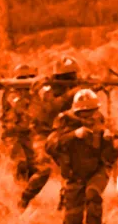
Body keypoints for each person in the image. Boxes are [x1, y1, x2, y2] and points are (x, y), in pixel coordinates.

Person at [46, 89, 118, 224]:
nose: (90, 116)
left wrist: (110, 143)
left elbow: (111, 157)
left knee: (93, 193)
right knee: (73, 222)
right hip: (74, 174)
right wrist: (73, 135)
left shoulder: (100, 121)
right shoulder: (64, 121)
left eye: (93, 111)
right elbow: (50, 145)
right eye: (86, 113)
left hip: (97, 171)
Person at [19, 56, 83, 210]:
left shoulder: (73, 90)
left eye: (72, 76)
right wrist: (73, 92)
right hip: (41, 133)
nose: (71, 80)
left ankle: (65, 204)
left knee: (71, 169)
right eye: (67, 77)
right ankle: (24, 200)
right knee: (44, 170)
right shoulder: (45, 86)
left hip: (60, 133)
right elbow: (53, 106)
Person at [0, 63, 37, 183]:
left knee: (33, 165)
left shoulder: (32, 94)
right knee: (21, 163)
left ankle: (27, 188)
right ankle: (19, 187)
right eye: (24, 78)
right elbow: (18, 106)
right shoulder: (12, 92)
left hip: (27, 133)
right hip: (12, 134)